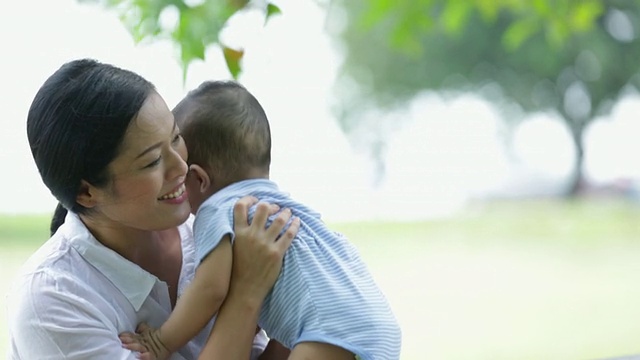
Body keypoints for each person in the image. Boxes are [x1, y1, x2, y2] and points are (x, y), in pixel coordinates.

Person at [6, 59, 300, 360]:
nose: (182, 166)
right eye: (152, 161)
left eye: (176, 138)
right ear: (86, 192)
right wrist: (246, 291)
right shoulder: (53, 303)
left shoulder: (214, 232)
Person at [121, 81, 402, 360]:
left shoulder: (221, 210)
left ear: (199, 178)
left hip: (326, 331)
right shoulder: (285, 208)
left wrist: (161, 341)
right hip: (375, 323)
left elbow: (211, 288)